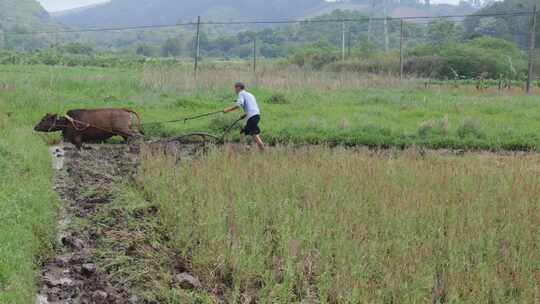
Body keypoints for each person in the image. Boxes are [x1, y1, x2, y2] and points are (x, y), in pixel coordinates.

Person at [224, 82, 265, 150]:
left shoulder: (241, 93)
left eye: (235, 88)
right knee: (254, 134)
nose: (235, 90)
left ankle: (247, 148)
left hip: (251, 117)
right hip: (256, 116)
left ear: (239, 88)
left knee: (242, 133)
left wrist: (228, 110)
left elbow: (238, 105)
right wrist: (245, 114)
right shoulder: (250, 94)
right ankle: (261, 149)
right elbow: (251, 106)